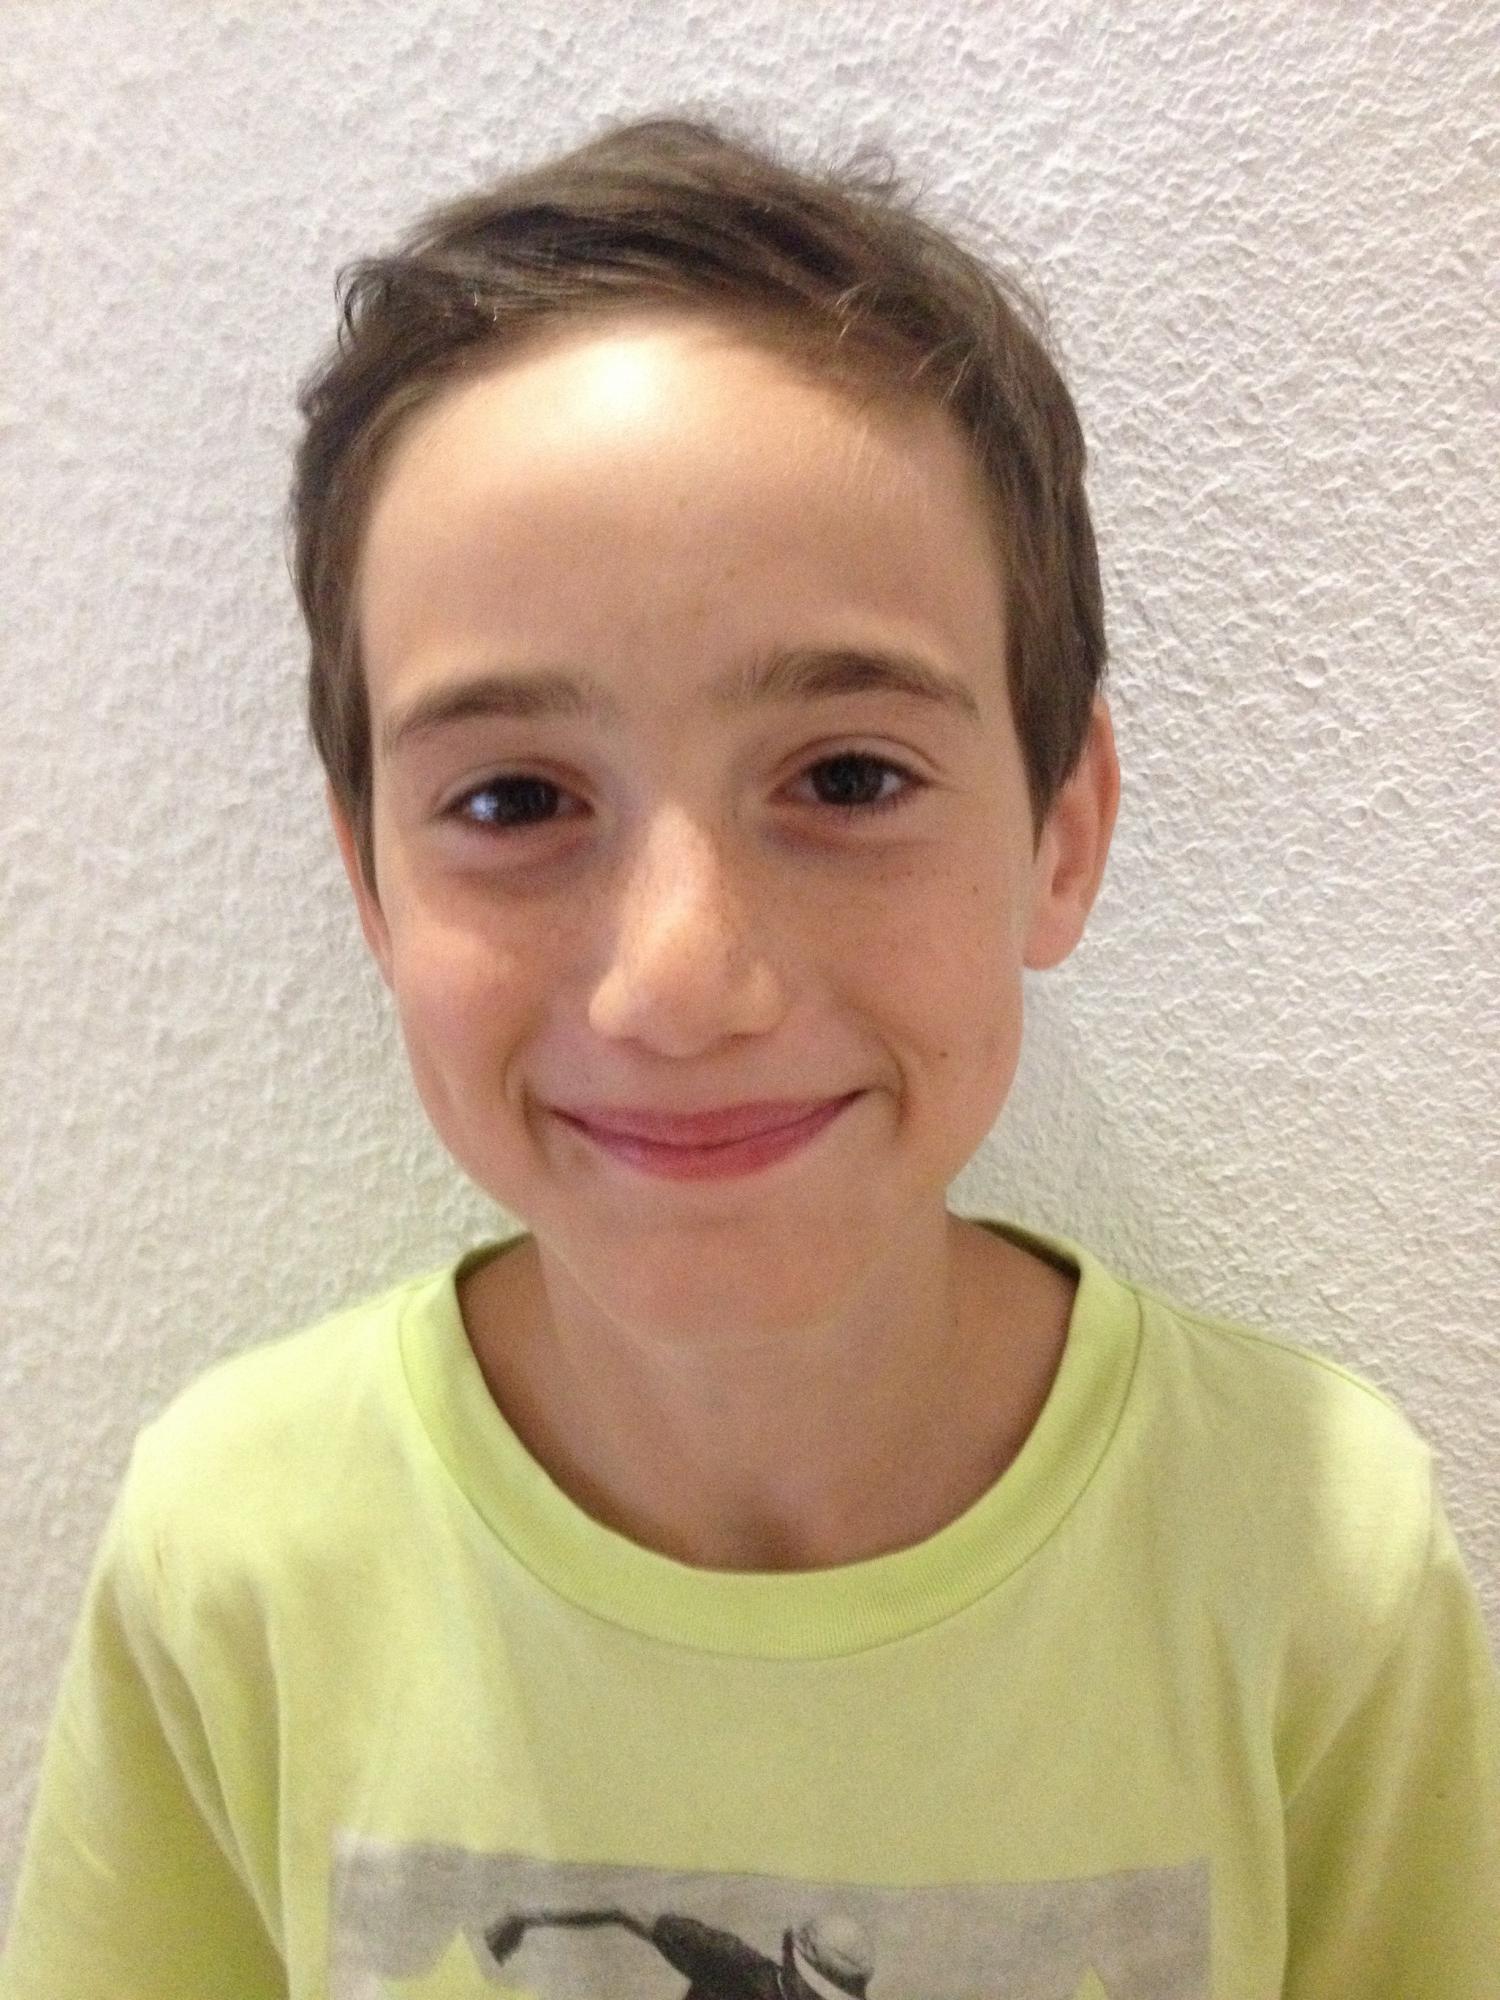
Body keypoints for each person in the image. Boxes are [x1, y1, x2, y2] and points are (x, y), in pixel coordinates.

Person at [2, 111, 1495, 2000]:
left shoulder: (1314, 1557)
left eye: (849, 778)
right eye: (515, 798)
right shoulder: (235, 1561)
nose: (679, 982)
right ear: (369, 881)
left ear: (1063, 833)